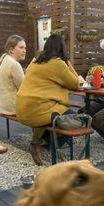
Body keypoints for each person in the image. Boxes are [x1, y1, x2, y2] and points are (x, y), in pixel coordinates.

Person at [16, 34, 81, 165]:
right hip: (39, 109)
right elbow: (75, 83)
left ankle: (38, 142)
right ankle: (41, 144)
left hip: (22, 109)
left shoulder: (35, 60)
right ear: (63, 48)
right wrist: (66, 61)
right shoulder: (58, 63)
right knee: (76, 121)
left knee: (58, 117)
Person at [0, 35, 26, 115]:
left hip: (3, 106)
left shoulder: (5, 59)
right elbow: (24, 88)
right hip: (12, 108)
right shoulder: (14, 64)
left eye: (25, 48)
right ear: (12, 49)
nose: (24, 51)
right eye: (21, 48)